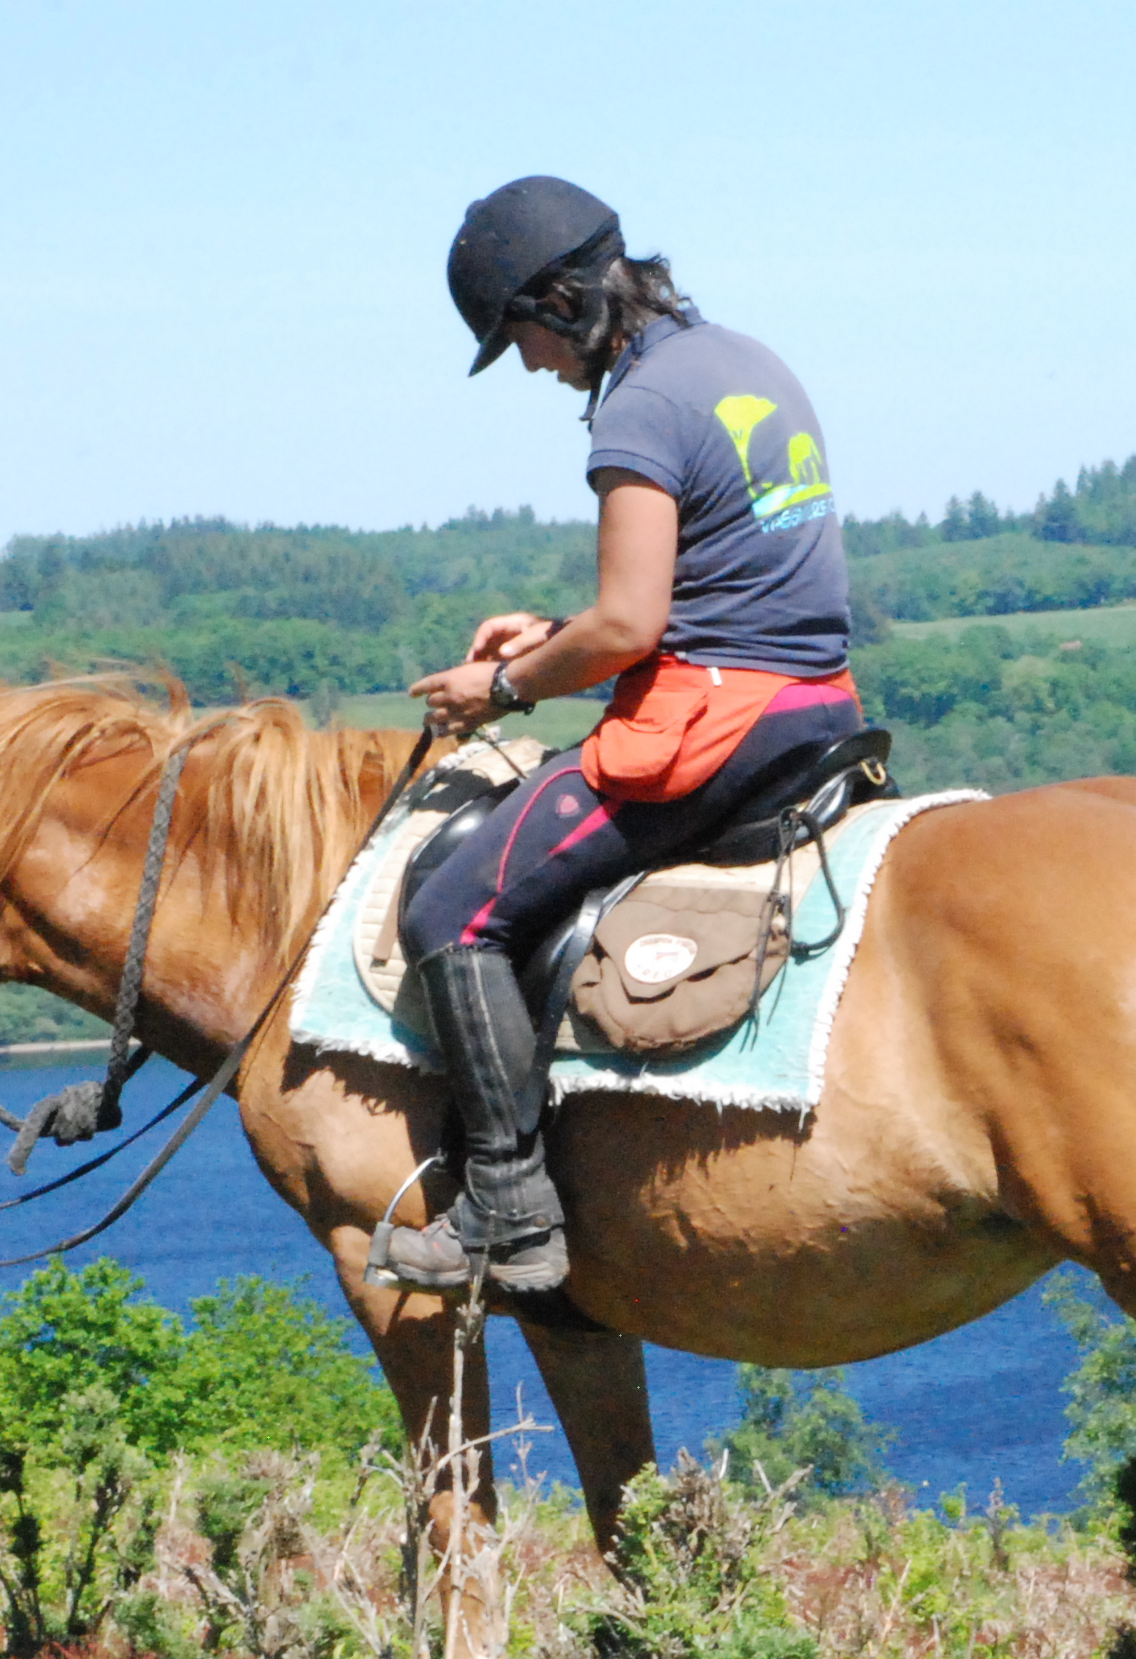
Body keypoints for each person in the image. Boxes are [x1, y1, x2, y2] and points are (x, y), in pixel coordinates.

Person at [372, 176, 858, 1298]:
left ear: (562, 298)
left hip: (718, 724)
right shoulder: (742, 358)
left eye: (524, 336)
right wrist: (557, 637)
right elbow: (719, 588)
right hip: (816, 703)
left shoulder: (638, 408)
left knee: (453, 911)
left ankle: (507, 1212)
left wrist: (499, 686)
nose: (535, 365)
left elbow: (633, 625)